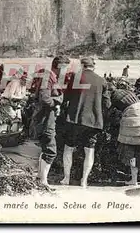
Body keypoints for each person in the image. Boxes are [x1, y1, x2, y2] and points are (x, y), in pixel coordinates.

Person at [60, 58, 111, 187]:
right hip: (94, 121)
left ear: (82, 65)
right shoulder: (101, 80)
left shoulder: (76, 77)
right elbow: (107, 103)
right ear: (93, 67)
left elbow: (66, 97)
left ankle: (66, 178)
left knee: (68, 148)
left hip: (75, 119)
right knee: (89, 151)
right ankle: (84, 181)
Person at [108, 85, 140, 185]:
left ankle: (134, 180)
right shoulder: (126, 91)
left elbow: (109, 109)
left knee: (132, 150)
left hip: (132, 116)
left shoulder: (114, 96)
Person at [30, 55, 70, 187]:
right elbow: (44, 98)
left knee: (45, 147)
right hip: (45, 117)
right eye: (65, 67)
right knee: (51, 149)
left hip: (44, 116)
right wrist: (57, 103)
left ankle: (40, 178)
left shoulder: (47, 76)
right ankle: (43, 181)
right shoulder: (48, 77)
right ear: (59, 66)